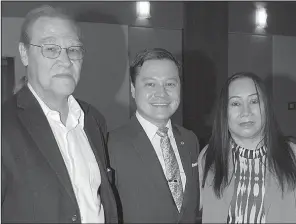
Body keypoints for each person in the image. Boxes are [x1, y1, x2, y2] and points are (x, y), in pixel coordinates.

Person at [1, 5, 118, 223]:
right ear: (24, 53)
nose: (65, 61)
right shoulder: (4, 126)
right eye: (51, 48)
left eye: (73, 49)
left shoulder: (93, 120)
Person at [107, 48, 201, 223]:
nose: (161, 93)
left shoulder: (190, 141)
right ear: (133, 89)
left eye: (170, 84)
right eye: (150, 84)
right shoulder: (111, 145)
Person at [198, 72, 296, 223]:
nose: (246, 112)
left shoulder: (293, 154)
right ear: (224, 112)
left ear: (266, 107)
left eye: (254, 101)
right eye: (235, 103)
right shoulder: (209, 156)